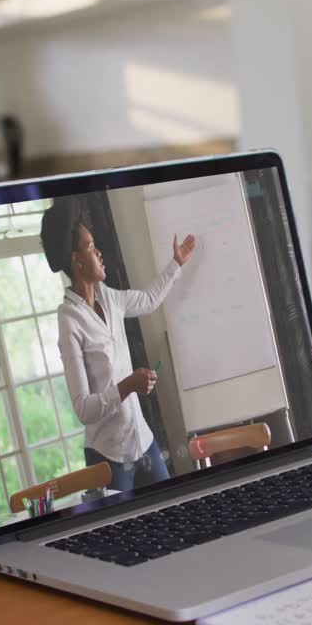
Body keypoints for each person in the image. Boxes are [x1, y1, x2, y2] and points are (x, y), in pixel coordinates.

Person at [41, 199, 196, 493]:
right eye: (90, 246)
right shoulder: (69, 320)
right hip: (107, 459)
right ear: (77, 260)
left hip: (142, 441)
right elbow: (84, 409)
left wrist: (176, 263)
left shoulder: (108, 297)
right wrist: (128, 385)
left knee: (171, 510)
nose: (99, 252)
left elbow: (149, 300)